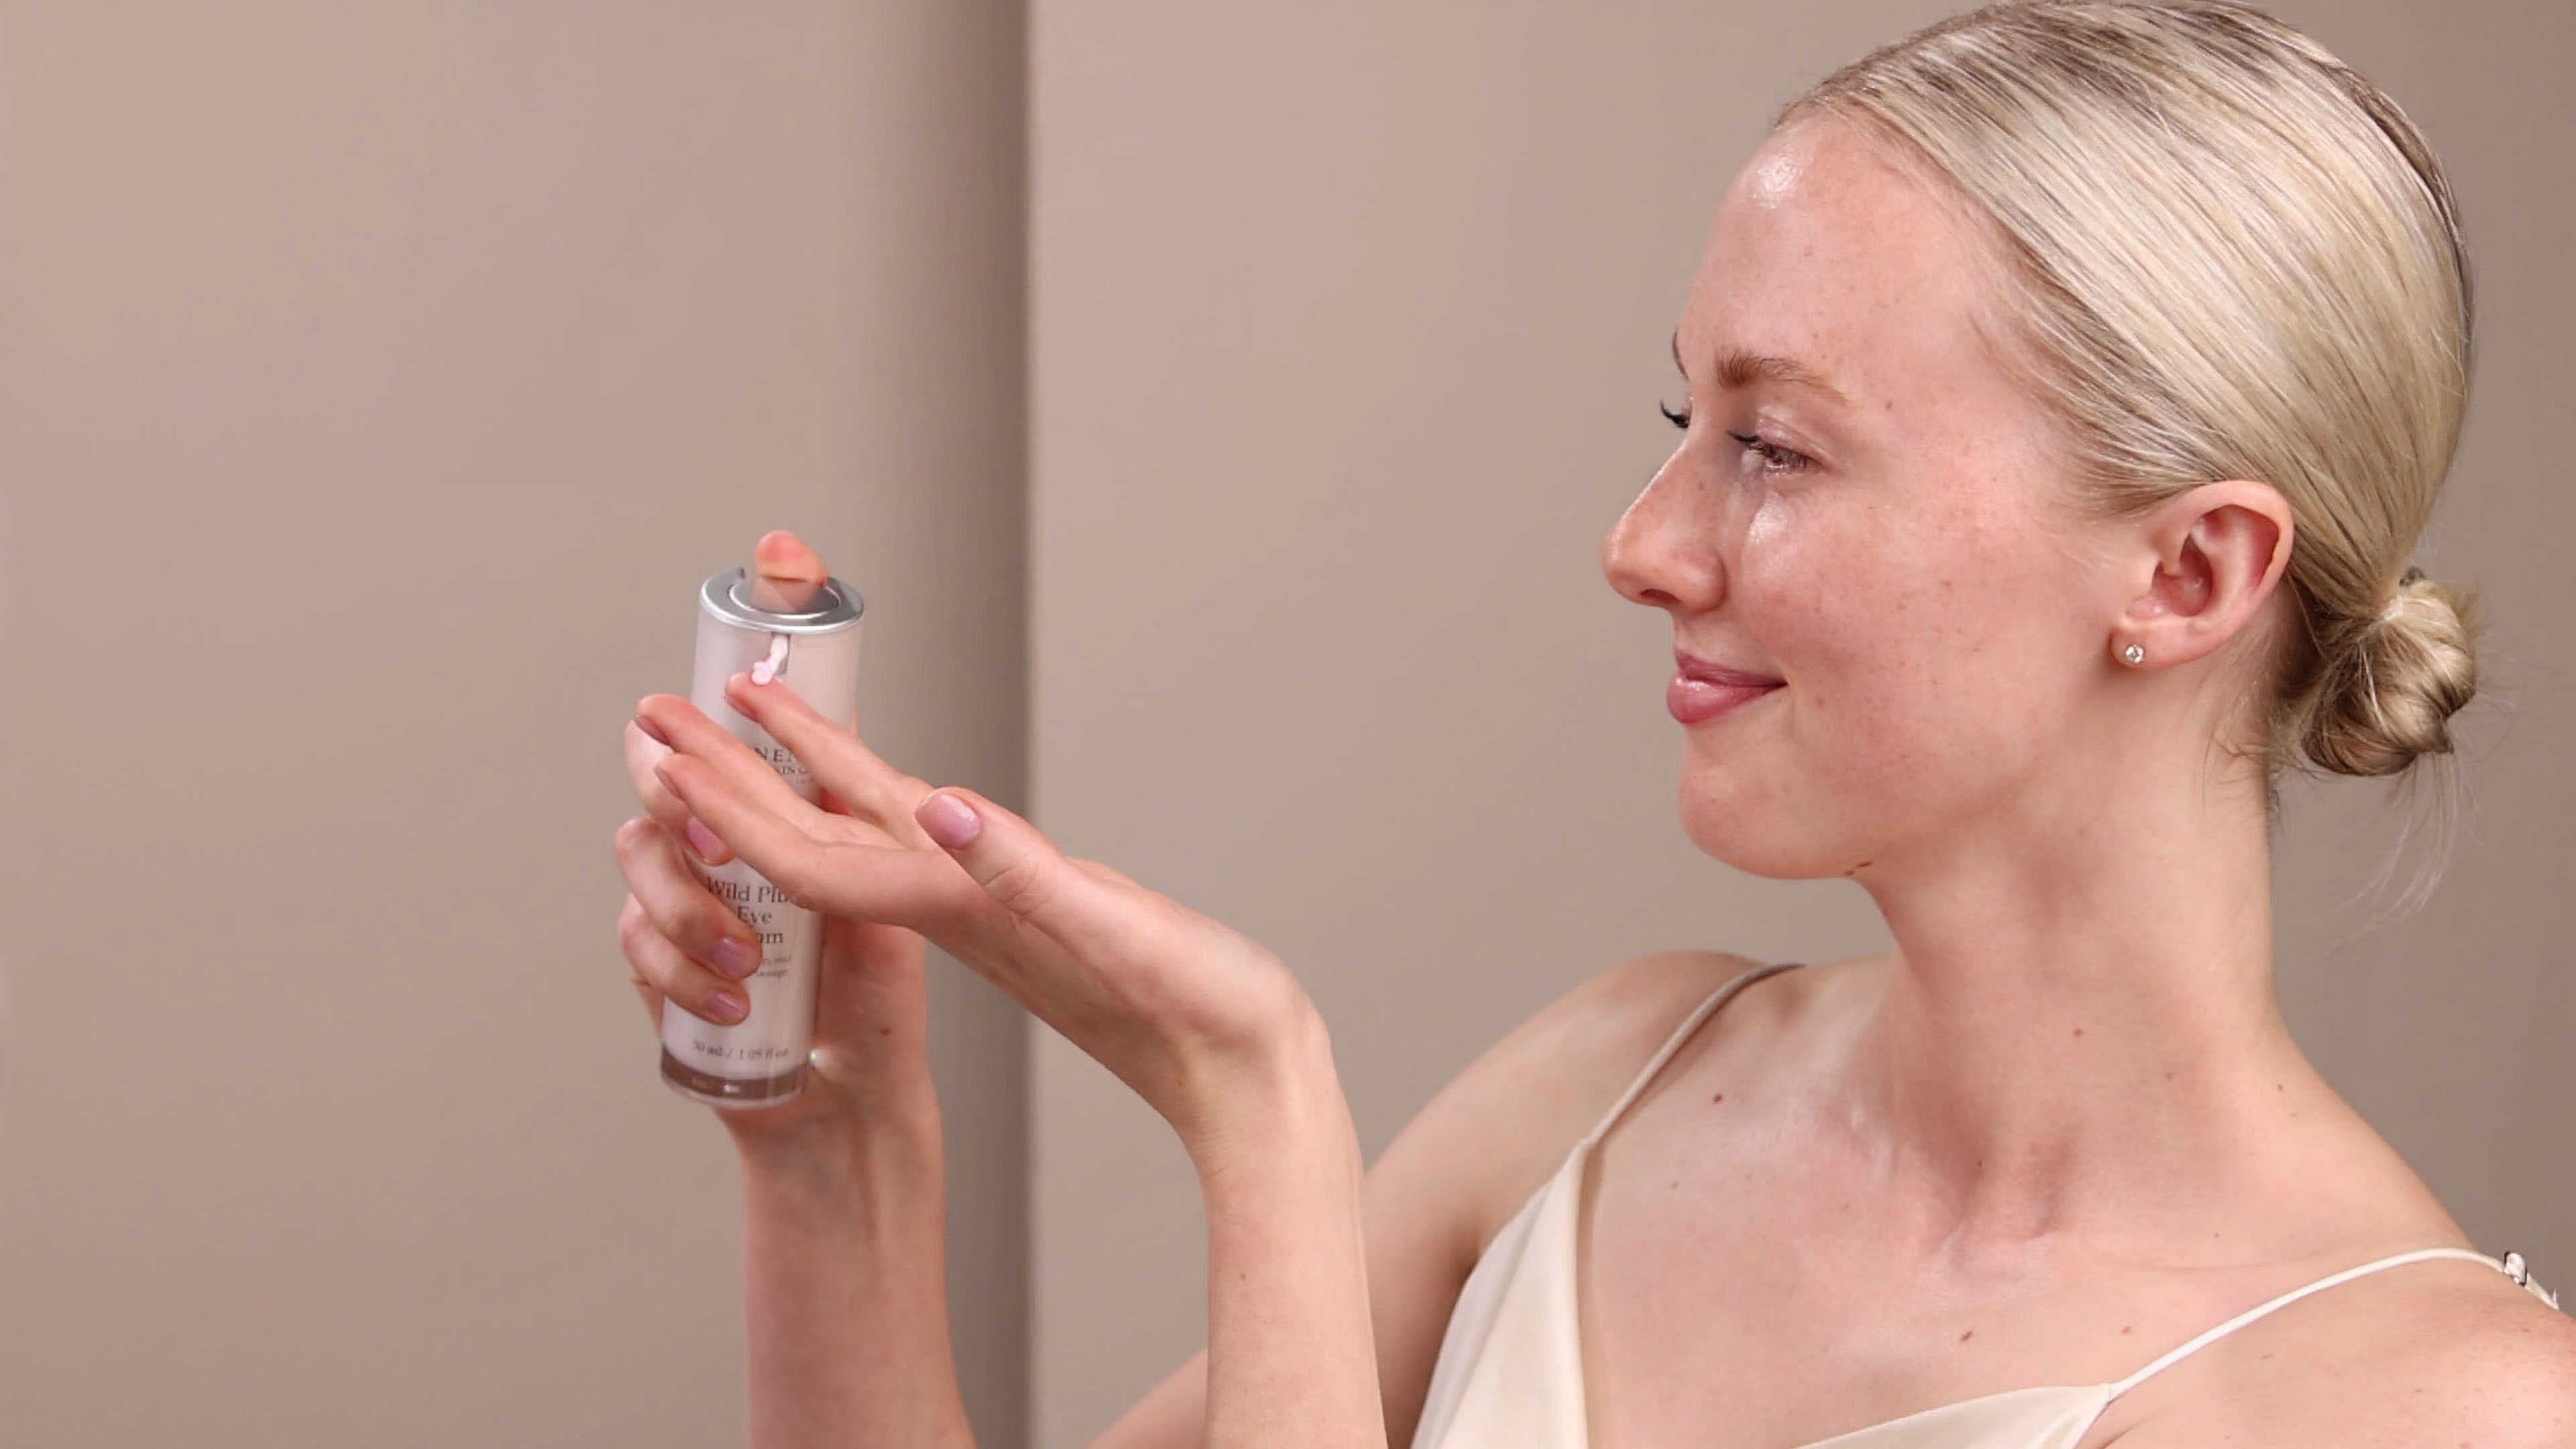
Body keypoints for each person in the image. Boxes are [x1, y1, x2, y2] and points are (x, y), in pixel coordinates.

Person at [612, 3, 2576, 1446]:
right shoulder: (1617, 1085)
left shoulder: (2434, 1412)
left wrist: (1253, 1110)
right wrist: (834, 1150)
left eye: (1777, 448)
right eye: (1680, 421)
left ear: (2190, 573)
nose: (1642, 546)